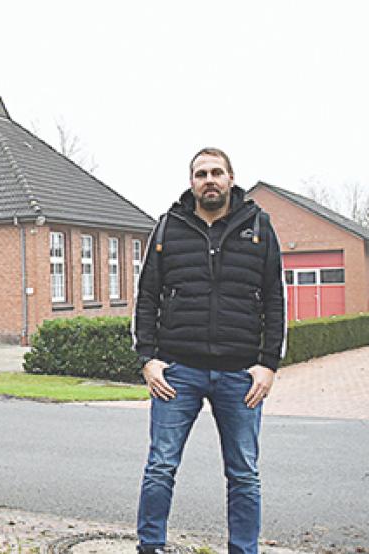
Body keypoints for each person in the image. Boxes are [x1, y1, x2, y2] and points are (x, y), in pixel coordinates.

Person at [132, 148, 286, 554]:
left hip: (240, 375)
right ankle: (150, 547)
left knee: (244, 474)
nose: (209, 179)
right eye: (201, 173)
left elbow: (274, 297)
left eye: (217, 172)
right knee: (160, 467)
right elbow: (147, 297)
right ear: (192, 182)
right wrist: (148, 359)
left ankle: (243, 549)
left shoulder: (259, 225)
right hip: (178, 371)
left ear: (231, 178)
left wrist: (268, 365)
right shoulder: (169, 227)